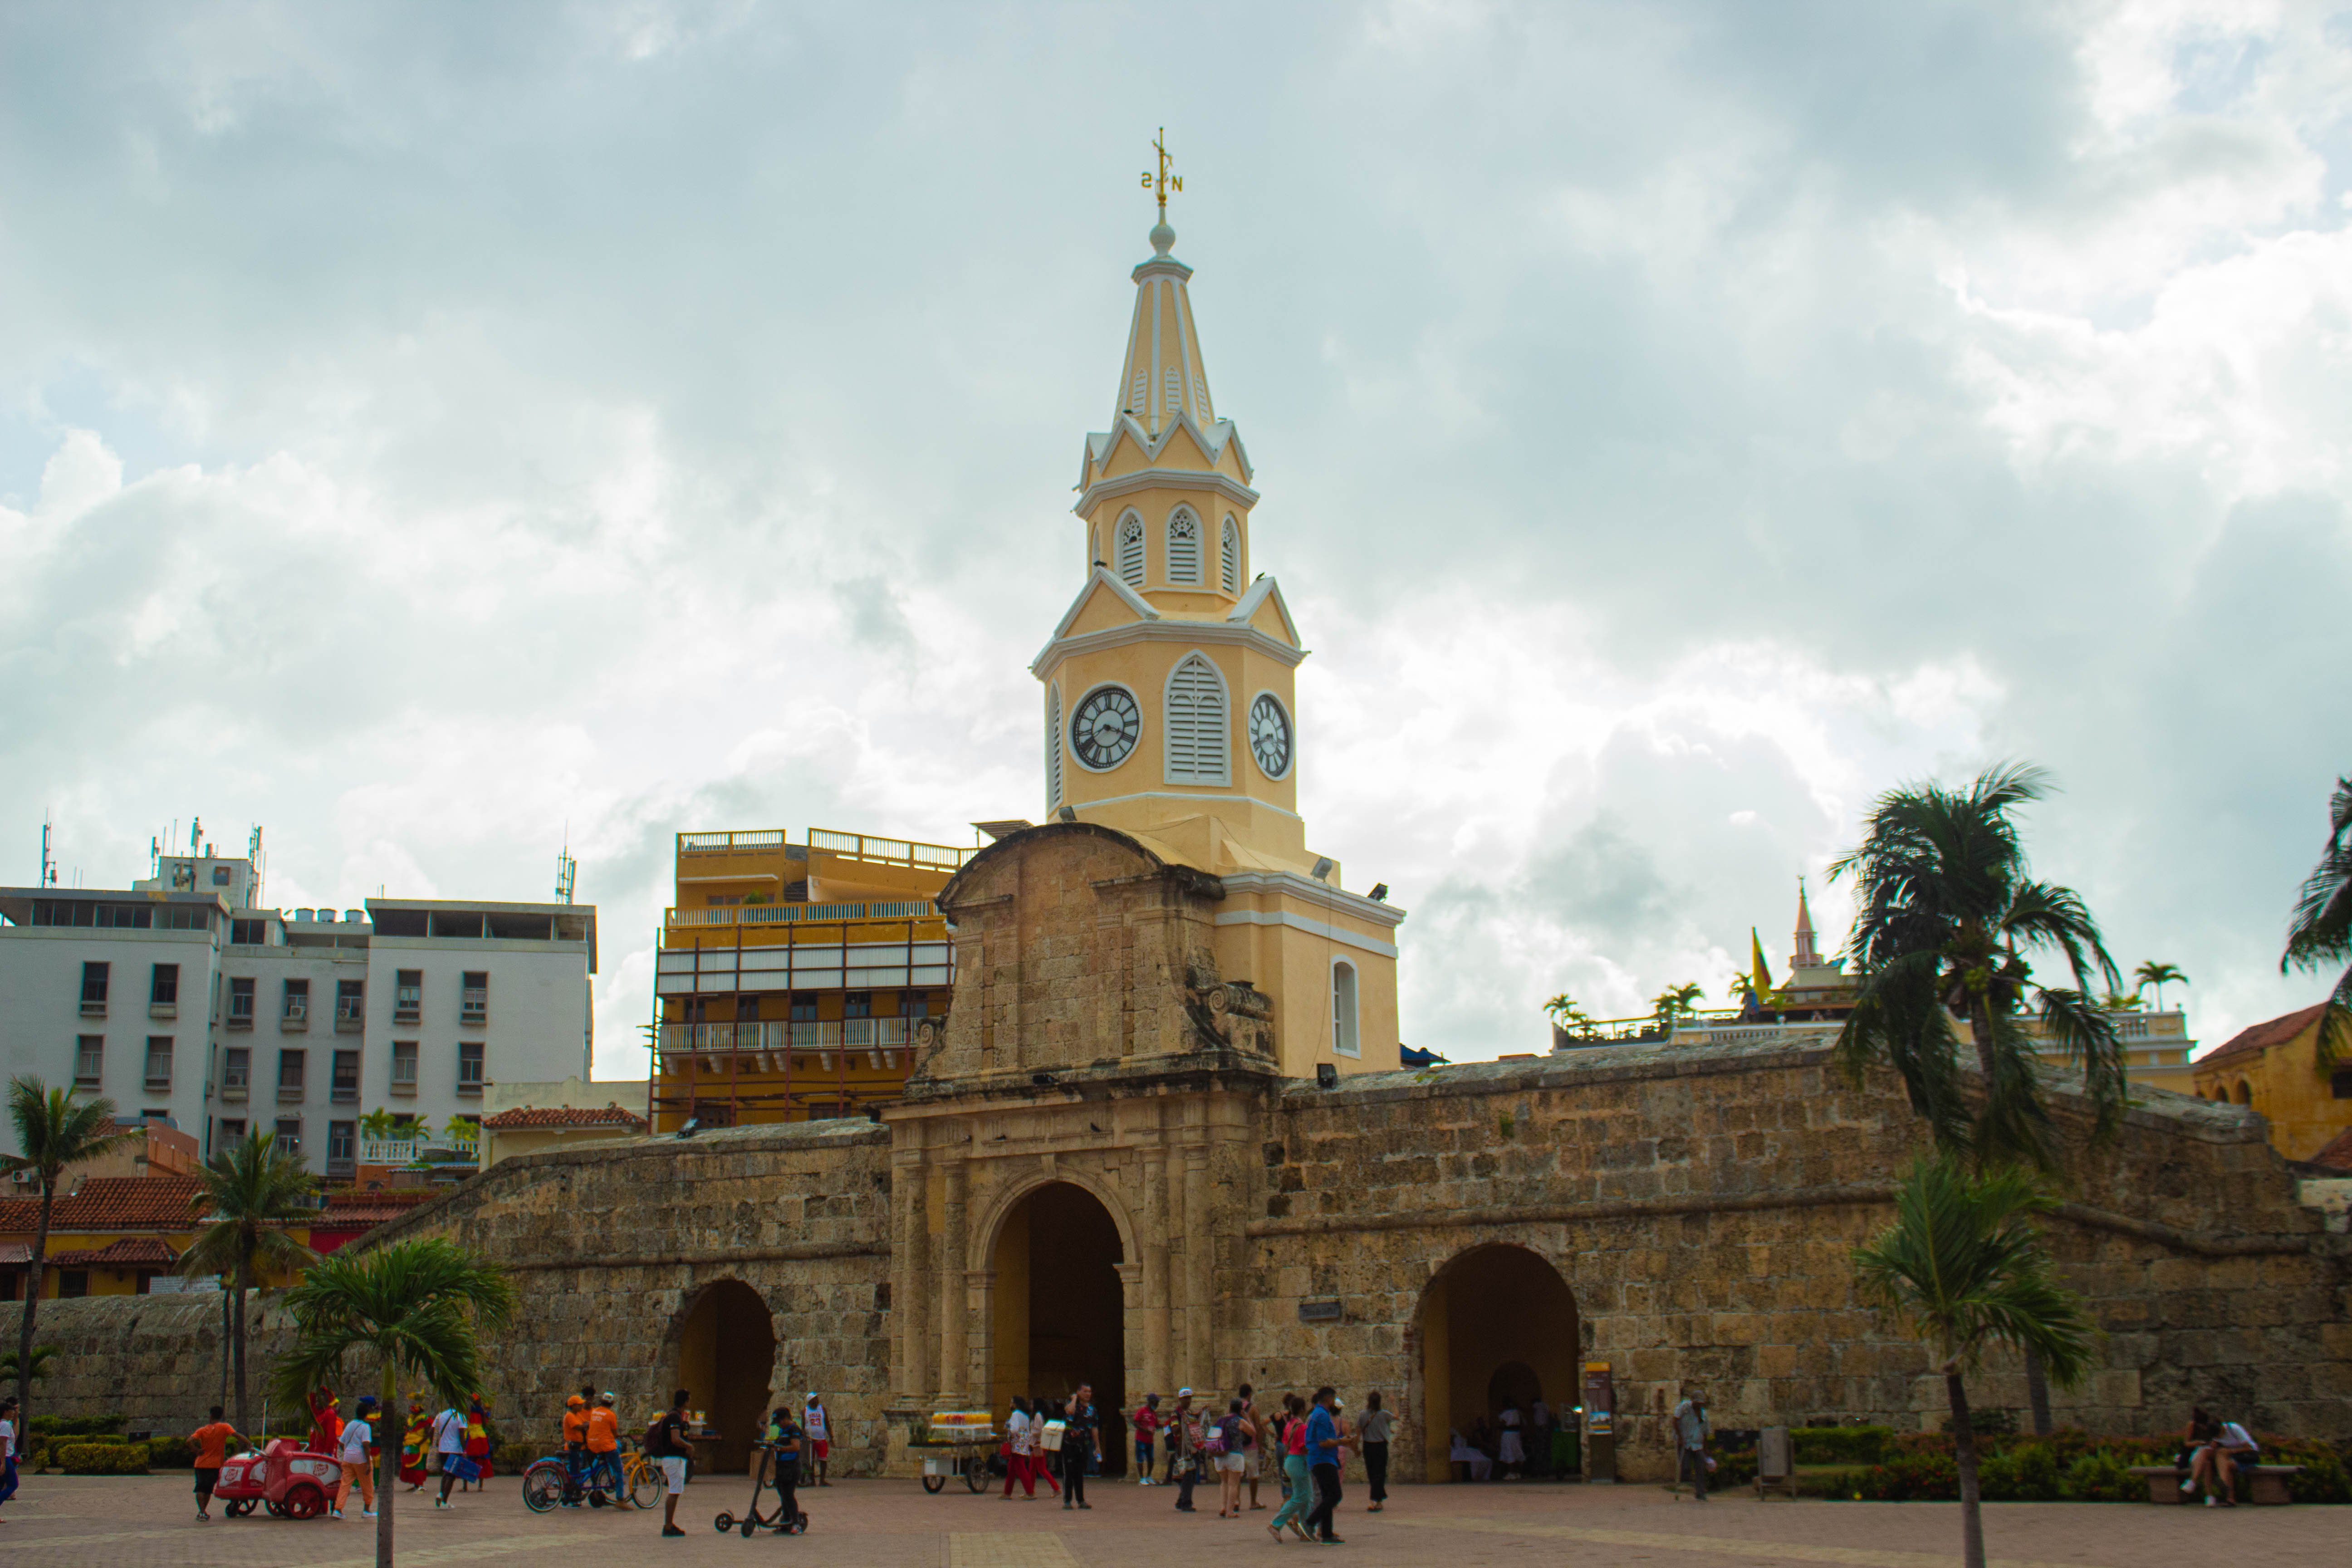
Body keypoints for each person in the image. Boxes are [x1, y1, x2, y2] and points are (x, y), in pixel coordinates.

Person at [1302, 1387, 1346, 1545]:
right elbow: (1323, 1442)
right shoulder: (1321, 1416)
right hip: (1323, 1460)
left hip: (1321, 1460)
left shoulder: (1317, 1414)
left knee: (1328, 1495)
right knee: (1335, 1495)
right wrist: (1342, 1441)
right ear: (1329, 1400)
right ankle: (1310, 1522)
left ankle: (1327, 1534)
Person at [649, 1387, 693, 1538]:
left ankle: (669, 1524)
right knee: (674, 1492)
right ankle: (668, 1526)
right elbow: (675, 1439)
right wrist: (689, 1446)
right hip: (674, 1459)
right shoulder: (674, 1417)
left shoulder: (673, 1415)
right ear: (686, 1401)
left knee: (675, 1492)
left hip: (671, 1459)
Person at [333, 1395, 378, 1520]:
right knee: (368, 1485)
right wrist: (369, 1464)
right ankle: (367, 1510)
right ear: (367, 1414)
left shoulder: (350, 1424)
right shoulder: (365, 1427)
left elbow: (341, 1443)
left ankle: (338, 1509)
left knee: (345, 1484)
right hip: (361, 1460)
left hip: (348, 1458)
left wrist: (348, 1451)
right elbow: (366, 1445)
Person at [191, 1403, 236, 1522]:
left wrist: (197, 1451)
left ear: (210, 1416)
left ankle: (202, 1512)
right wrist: (248, 1443)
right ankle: (202, 1512)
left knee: (200, 1488)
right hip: (216, 1464)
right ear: (221, 1416)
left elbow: (189, 1441)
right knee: (208, 1489)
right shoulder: (225, 1427)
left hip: (201, 1464)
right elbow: (237, 1436)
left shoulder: (202, 1430)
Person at [763, 1403, 804, 1531]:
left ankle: (796, 1523)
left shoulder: (794, 1430)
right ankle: (786, 1522)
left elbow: (796, 1447)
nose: (779, 1425)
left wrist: (780, 1448)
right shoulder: (783, 1431)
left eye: (780, 1422)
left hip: (791, 1467)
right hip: (781, 1466)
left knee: (788, 1494)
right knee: (782, 1494)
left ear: (786, 1419)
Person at [1058, 1384, 1097, 1511]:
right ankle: (1068, 1500)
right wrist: (1074, 1399)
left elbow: (1094, 1427)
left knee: (1080, 1473)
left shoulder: (1092, 1409)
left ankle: (1081, 1500)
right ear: (1079, 1392)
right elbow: (1069, 1411)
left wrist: (1097, 1446)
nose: (1088, 1394)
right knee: (1069, 1472)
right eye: (1085, 1391)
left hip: (1083, 1444)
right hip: (1069, 1444)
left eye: (1090, 1391)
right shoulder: (1073, 1405)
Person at [1214, 1397, 1250, 1518]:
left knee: (1224, 1482)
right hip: (1235, 1454)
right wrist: (1247, 1417)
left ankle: (1223, 1507)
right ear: (1241, 1410)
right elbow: (1253, 1432)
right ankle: (1230, 1511)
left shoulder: (1221, 1420)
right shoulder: (1239, 1421)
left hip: (1220, 1455)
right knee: (1233, 1484)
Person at [1673, 1386, 1709, 1502]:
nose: (1698, 1406)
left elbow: (1706, 1432)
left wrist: (1706, 1449)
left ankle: (1700, 1492)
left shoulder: (1704, 1414)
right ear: (1692, 1401)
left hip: (1697, 1444)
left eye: (1700, 1404)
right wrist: (1679, 1437)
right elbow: (1675, 1420)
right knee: (1686, 1467)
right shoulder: (1684, 1407)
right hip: (1685, 1442)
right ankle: (1684, 1483)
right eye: (1697, 1403)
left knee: (1700, 1467)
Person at [586, 1392, 623, 1503]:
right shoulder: (611, 1415)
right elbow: (615, 1433)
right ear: (612, 1403)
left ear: (601, 1401)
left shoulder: (594, 1412)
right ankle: (620, 1498)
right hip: (606, 1446)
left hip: (592, 1444)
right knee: (619, 1470)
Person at [431, 1401, 470, 1508]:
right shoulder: (460, 1416)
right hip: (455, 1450)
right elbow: (462, 1435)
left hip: (443, 1449)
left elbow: (432, 1430)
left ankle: (441, 1493)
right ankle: (445, 1501)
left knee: (446, 1472)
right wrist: (464, 1450)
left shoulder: (441, 1415)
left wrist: (434, 1444)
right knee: (451, 1476)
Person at [1359, 1390, 1392, 1512]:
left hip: (1368, 1446)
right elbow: (1397, 1417)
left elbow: (1359, 1430)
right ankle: (1376, 1500)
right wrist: (1393, 1403)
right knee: (1380, 1474)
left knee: (1372, 1474)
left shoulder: (1363, 1414)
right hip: (1380, 1447)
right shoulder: (1384, 1414)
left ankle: (1377, 1500)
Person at [1237, 1382, 1265, 1511]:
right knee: (1253, 1475)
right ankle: (1253, 1502)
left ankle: (1236, 1501)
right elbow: (1258, 1428)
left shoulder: (1233, 1407)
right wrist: (1260, 1445)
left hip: (1237, 1446)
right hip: (1251, 1445)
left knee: (1237, 1475)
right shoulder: (1253, 1408)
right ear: (1250, 1394)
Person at [1001, 1396, 1036, 1500]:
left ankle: (1030, 1492)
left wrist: (1008, 1428)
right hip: (1023, 1443)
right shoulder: (1025, 1416)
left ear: (1016, 1404)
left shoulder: (1015, 1414)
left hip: (1017, 1444)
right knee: (1012, 1469)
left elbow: (1014, 1430)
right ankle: (1007, 1493)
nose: (1010, 1405)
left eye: (1012, 1403)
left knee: (1021, 1469)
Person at [560, 1393, 591, 1503]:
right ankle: (570, 1497)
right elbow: (577, 1426)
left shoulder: (578, 1415)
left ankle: (576, 1494)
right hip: (572, 1448)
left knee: (578, 1471)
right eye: (579, 1405)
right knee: (574, 1473)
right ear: (573, 1406)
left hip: (580, 1447)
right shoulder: (570, 1416)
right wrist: (588, 1425)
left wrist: (590, 1424)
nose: (581, 1406)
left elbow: (585, 1422)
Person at [1164, 1389, 1194, 1485]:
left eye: (1190, 1398)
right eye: (1186, 1399)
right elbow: (1175, 1430)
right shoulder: (1176, 1413)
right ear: (1180, 1400)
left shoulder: (1189, 1412)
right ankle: (1170, 1479)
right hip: (1180, 1445)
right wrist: (1185, 1423)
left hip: (1188, 1445)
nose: (1188, 1401)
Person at [398, 1400, 429, 1490]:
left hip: (420, 1446)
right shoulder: (411, 1420)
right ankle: (416, 1484)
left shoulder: (424, 1419)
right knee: (411, 1464)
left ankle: (420, 1484)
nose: (411, 1412)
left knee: (419, 1464)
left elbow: (428, 1433)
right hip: (409, 1445)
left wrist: (419, 1443)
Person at [804, 1393, 832, 1486]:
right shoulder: (805, 1411)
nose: (817, 1400)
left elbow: (827, 1423)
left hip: (821, 1438)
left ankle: (822, 1480)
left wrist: (831, 1437)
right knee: (811, 1460)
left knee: (823, 1459)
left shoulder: (822, 1410)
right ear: (810, 1401)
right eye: (815, 1399)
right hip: (810, 1439)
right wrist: (805, 1437)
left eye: (817, 1398)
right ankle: (812, 1480)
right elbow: (802, 1425)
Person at [1132, 1393, 1159, 1484]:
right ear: (1151, 1402)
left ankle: (1149, 1476)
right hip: (1141, 1439)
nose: (1157, 1404)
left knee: (1151, 1459)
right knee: (1141, 1458)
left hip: (1150, 1440)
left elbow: (1157, 1425)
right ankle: (1141, 1478)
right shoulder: (1142, 1411)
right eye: (1156, 1402)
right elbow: (1135, 1422)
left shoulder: (1154, 1413)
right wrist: (1145, 1430)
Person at [1496, 1399, 1525, 1479]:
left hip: (1508, 1435)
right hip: (1517, 1434)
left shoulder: (1505, 1414)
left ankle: (1511, 1472)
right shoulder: (1518, 1412)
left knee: (1509, 1452)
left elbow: (1502, 1424)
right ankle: (1518, 1473)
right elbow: (1523, 1424)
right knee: (1517, 1451)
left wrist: (1498, 1427)